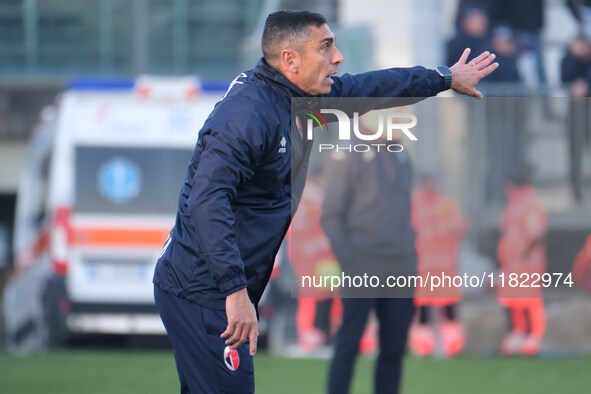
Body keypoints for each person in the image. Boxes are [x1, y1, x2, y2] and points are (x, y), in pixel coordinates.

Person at [152, 10, 498, 394]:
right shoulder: (248, 113)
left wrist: (443, 78)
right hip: (202, 289)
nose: (338, 57)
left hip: (215, 287)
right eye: (326, 46)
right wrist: (234, 291)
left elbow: (370, 88)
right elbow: (206, 198)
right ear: (290, 59)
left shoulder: (300, 98)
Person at [408, 173, 469, 358]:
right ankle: (424, 345)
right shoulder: (413, 204)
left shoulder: (447, 205)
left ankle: (450, 345)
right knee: (423, 306)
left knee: (448, 305)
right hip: (421, 267)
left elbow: (460, 226)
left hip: (444, 267)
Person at [496, 173, 547, 356]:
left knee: (529, 299)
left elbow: (537, 234)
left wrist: (524, 254)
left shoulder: (529, 203)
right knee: (513, 299)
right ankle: (518, 333)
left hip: (526, 264)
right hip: (513, 264)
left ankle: (533, 336)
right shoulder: (514, 204)